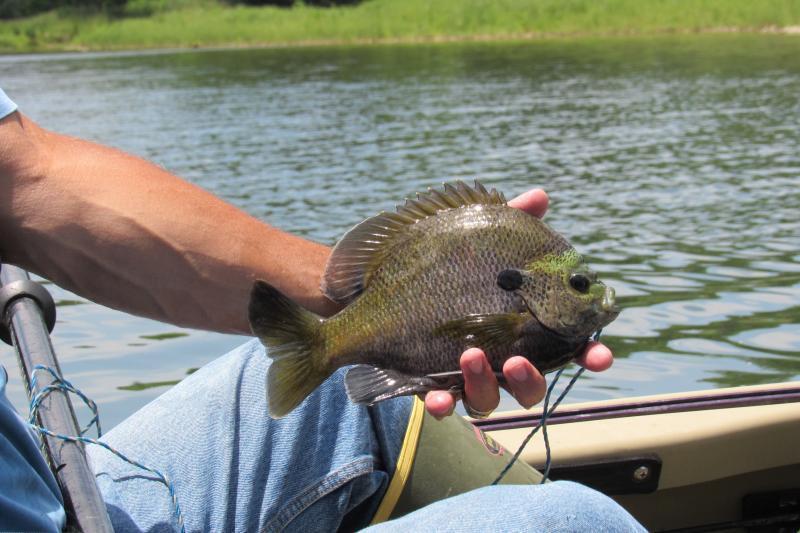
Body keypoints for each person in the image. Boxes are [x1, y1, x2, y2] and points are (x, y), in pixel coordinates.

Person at [0, 88, 644, 531]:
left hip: (40, 484)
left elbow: (27, 178)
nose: (596, 293)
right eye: (582, 284)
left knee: (346, 397)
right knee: (579, 521)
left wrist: (359, 300)